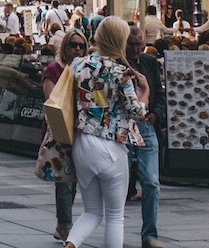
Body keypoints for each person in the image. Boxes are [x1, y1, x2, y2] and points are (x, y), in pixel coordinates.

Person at [63, 15, 148, 248]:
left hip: (81, 144)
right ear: (120, 39)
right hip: (112, 146)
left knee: (91, 211)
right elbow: (136, 112)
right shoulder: (121, 72)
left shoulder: (78, 65)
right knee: (114, 216)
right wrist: (146, 91)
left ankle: (70, 244)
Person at [43, 28, 88, 243]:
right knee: (63, 180)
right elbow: (51, 101)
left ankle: (63, 222)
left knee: (74, 180)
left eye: (81, 45)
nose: (77, 49)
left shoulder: (87, 70)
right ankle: (65, 226)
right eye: (73, 45)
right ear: (65, 47)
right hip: (60, 131)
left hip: (82, 130)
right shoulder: (53, 70)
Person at [125, 26, 165, 248]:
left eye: (139, 44)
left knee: (151, 181)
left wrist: (156, 115)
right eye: (131, 44)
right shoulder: (116, 65)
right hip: (124, 127)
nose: (136, 49)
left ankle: (149, 235)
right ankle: (113, 227)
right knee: (119, 183)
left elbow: (159, 94)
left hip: (146, 126)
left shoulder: (149, 62)